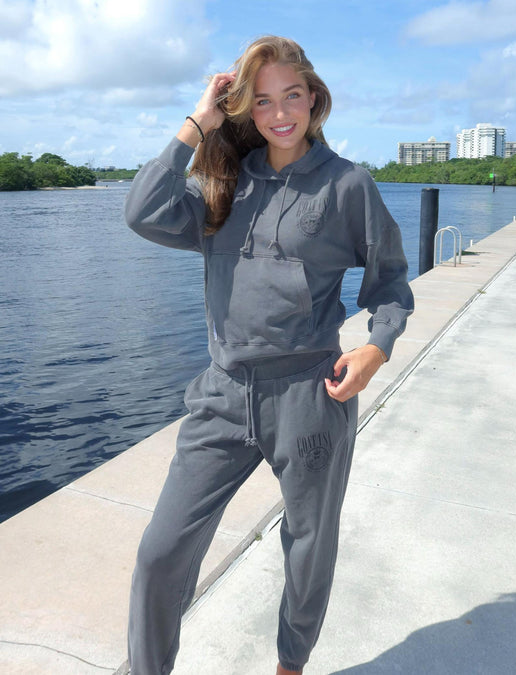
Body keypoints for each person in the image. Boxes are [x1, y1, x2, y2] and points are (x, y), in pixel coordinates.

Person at [123, 35, 413, 675]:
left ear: (314, 99)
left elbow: (390, 284)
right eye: (261, 102)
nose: (280, 114)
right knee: (159, 552)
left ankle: (291, 664)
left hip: (311, 394)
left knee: (308, 545)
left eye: (292, 96)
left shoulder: (348, 186)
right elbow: (142, 211)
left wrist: (375, 350)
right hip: (222, 396)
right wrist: (199, 121)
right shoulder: (222, 188)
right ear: (243, 111)